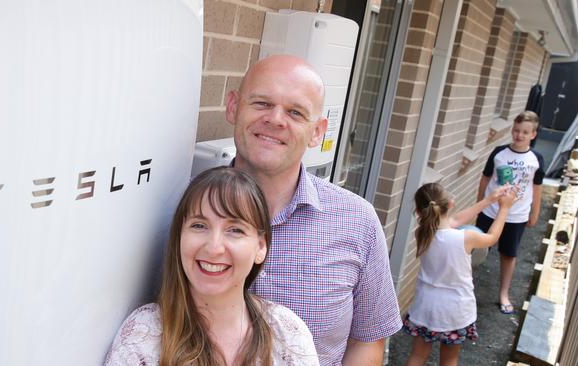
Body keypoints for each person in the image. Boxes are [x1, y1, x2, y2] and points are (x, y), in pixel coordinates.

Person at [224, 54, 401, 365]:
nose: (276, 119)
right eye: (262, 103)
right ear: (233, 106)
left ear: (318, 131)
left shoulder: (357, 221)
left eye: (295, 112)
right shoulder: (184, 211)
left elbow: (368, 341)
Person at [103, 167, 319, 365]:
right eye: (199, 225)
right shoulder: (144, 335)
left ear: (260, 247)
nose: (214, 248)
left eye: (235, 230)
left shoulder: (289, 336)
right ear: (179, 237)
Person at [404, 182, 516, 366]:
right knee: (449, 359)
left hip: (425, 307)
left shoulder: (422, 233)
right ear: (450, 204)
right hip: (454, 311)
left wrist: (489, 200)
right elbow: (492, 238)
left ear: (418, 211)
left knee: (417, 356)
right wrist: (504, 208)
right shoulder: (465, 238)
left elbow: (454, 221)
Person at [476, 110, 545, 314]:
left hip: (516, 215)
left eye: (525, 132)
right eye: (516, 130)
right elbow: (485, 178)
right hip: (490, 212)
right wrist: (480, 203)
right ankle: (465, 288)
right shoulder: (499, 153)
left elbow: (537, 188)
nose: (519, 135)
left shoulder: (536, 159)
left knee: (508, 253)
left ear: (533, 134)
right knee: (477, 250)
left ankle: (504, 293)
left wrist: (535, 213)